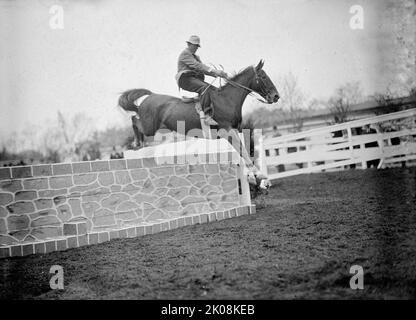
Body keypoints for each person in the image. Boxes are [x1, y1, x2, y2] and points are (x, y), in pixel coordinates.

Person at [175, 35, 228, 125]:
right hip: (185, 79)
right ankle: (207, 116)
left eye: (197, 46)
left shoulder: (196, 57)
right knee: (205, 88)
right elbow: (197, 66)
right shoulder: (185, 53)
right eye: (195, 45)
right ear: (189, 44)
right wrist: (214, 71)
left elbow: (202, 69)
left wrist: (217, 74)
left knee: (213, 89)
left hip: (193, 78)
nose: (196, 48)